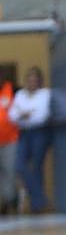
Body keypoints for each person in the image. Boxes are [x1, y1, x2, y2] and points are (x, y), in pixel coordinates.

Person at [11, 67, 53, 214]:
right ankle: (40, 198)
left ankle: (37, 206)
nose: (32, 82)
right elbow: (12, 116)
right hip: (23, 133)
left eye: (35, 79)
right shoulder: (20, 94)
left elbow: (41, 116)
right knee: (19, 166)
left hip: (39, 133)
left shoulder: (45, 94)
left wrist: (23, 113)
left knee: (36, 167)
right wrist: (26, 114)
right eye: (29, 79)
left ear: (39, 81)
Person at [0, 73, 19, 215]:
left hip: (10, 140)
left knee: (10, 171)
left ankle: (11, 200)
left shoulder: (12, 89)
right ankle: (4, 202)